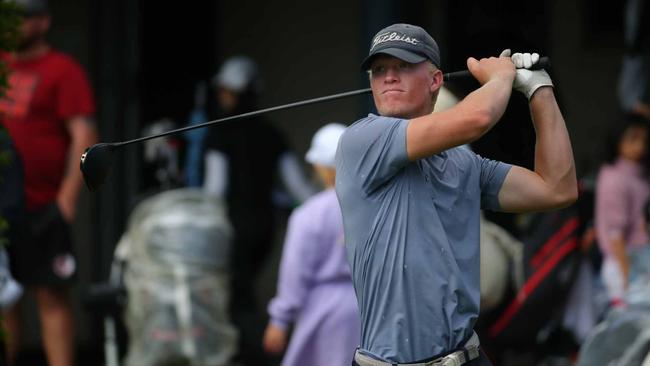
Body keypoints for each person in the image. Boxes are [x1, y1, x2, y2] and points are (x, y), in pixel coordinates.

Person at [335, 23, 577, 366]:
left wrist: (540, 90)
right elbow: (477, 117)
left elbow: (557, 188)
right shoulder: (362, 140)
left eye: (402, 66)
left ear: (435, 80)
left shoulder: (465, 163)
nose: (388, 77)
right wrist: (500, 78)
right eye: (379, 70)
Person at [0, 0, 98, 365]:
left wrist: (67, 200)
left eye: (21, 18)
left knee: (52, 298)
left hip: (44, 205)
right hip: (3, 211)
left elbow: (83, 135)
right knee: (3, 302)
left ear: (43, 22)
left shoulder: (62, 70)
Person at [202, 55, 315, 366]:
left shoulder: (218, 134)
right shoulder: (272, 134)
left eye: (228, 91)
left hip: (232, 230)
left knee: (238, 298)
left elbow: (215, 190)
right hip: (264, 228)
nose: (223, 97)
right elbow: (298, 190)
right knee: (243, 292)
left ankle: (258, 354)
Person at [263, 123, 360, 366]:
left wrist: (280, 320)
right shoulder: (371, 208)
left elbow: (294, 272)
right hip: (366, 307)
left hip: (323, 310)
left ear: (319, 166)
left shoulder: (309, 214)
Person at [594, 114, 650, 306]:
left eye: (644, 139)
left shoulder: (639, 172)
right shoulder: (613, 177)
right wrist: (628, 279)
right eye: (633, 138)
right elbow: (615, 234)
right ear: (617, 138)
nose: (640, 145)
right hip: (625, 262)